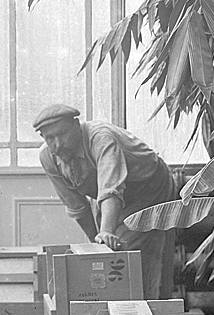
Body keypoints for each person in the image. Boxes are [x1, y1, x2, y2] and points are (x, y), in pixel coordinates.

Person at [34, 102, 180, 300]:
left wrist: (107, 232)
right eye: (50, 138)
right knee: (107, 252)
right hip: (111, 198)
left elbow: (111, 189)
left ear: (76, 125)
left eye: (62, 134)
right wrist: (98, 242)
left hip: (149, 189)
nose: (58, 144)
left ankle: (147, 312)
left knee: (130, 251)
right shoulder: (48, 157)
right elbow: (77, 207)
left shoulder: (100, 137)